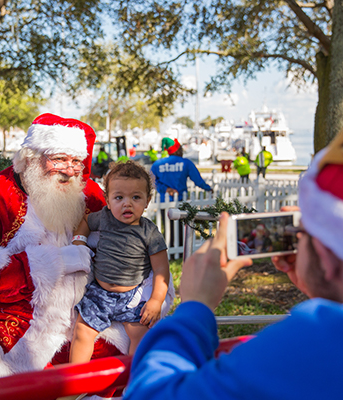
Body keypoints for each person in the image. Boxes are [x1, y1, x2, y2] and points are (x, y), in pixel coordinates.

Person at [124, 129, 343, 400]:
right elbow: (198, 181)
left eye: (303, 232)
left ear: (324, 256)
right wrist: (323, 285)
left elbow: (150, 393)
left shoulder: (308, 343)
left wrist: (195, 307)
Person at [0, 114, 123, 383]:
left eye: (76, 162)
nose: (68, 170)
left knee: (128, 346)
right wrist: (57, 261)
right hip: (6, 317)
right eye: (58, 159)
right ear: (30, 157)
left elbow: (125, 245)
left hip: (78, 317)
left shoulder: (88, 195)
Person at [70, 160, 174, 365]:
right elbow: (85, 222)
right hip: (99, 293)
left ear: (147, 200)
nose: (127, 203)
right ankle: (74, 382)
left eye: (136, 197)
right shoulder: (104, 218)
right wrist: (79, 241)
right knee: (82, 331)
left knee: (141, 335)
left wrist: (155, 301)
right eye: (119, 197)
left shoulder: (149, 232)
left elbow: (162, 270)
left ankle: (134, 381)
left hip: (132, 297)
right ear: (107, 201)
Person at [151, 138, 213, 249]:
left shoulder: (157, 164)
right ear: (176, 150)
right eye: (180, 148)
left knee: (168, 227)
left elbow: (151, 182)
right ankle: (180, 248)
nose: (182, 151)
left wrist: (165, 189)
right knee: (180, 228)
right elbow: (198, 181)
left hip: (163, 201)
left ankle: (170, 247)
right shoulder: (186, 163)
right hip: (180, 201)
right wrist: (208, 189)